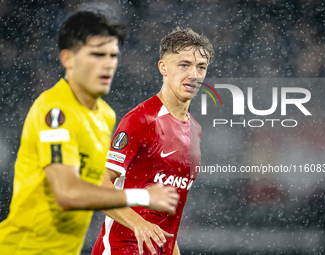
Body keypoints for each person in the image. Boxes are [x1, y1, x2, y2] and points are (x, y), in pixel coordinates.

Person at [0, 10, 179, 255]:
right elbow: (67, 193)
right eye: (96, 55)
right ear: (68, 59)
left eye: (112, 55)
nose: (107, 64)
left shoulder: (104, 115)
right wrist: (142, 197)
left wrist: (141, 223)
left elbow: (98, 187)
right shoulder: (55, 111)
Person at [92, 27, 214, 255]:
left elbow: (170, 218)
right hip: (122, 249)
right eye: (184, 65)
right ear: (163, 68)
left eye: (201, 67)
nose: (193, 75)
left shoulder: (195, 130)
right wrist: (139, 224)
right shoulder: (141, 119)